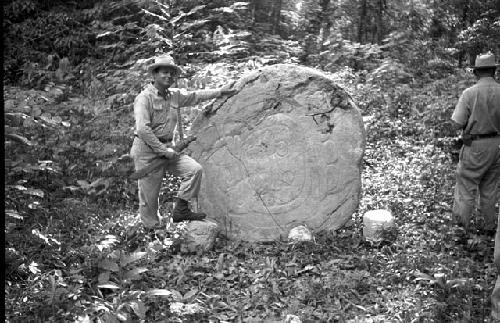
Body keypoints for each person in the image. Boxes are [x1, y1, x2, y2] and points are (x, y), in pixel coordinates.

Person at [130, 55, 235, 228]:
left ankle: (181, 210)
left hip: (167, 148)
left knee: (194, 170)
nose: (169, 76)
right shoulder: (144, 98)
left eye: (172, 73)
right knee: (149, 197)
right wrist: (163, 151)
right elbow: (142, 129)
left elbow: (196, 96)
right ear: (154, 75)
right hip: (147, 150)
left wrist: (220, 92)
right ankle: (152, 233)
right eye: (165, 72)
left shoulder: (174, 96)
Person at [451, 52, 500, 234]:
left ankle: (460, 230)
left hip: (475, 145)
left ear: (476, 72)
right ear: (494, 70)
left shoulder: (469, 93)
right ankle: (489, 228)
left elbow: (456, 123)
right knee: (490, 188)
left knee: (466, 187)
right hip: (496, 146)